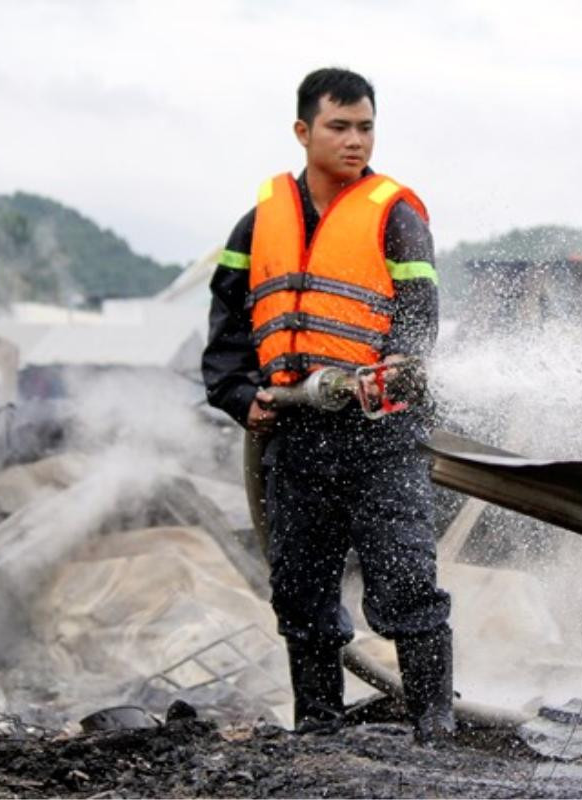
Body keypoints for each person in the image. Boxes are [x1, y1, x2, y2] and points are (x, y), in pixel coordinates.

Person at [201, 67, 453, 743]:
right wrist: (237, 395)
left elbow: (419, 314)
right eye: (339, 127)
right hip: (294, 437)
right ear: (303, 131)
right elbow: (227, 326)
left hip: (381, 438)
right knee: (302, 591)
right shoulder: (259, 224)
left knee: (405, 581)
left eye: (366, 127)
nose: (355, 141)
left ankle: (435, 725)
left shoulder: (395, 214)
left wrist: (400, 363)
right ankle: (317, 727)